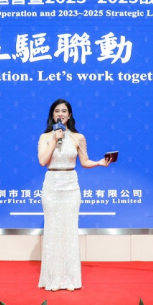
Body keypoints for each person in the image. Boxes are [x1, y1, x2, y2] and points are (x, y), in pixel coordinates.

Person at [37, 99, 112, 291]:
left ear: (69, 115)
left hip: (71, 186)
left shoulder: (78, 137)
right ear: (52, 115)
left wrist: (99, 163)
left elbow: (84, 162)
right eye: (57, 111)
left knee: (69, 231)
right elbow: (43, 161)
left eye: (64, 111)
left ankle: (70, 279)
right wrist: (55, 139)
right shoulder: (45, 137)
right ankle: (52, 278)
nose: (60, 114)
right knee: (53, 231)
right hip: (52, 185)